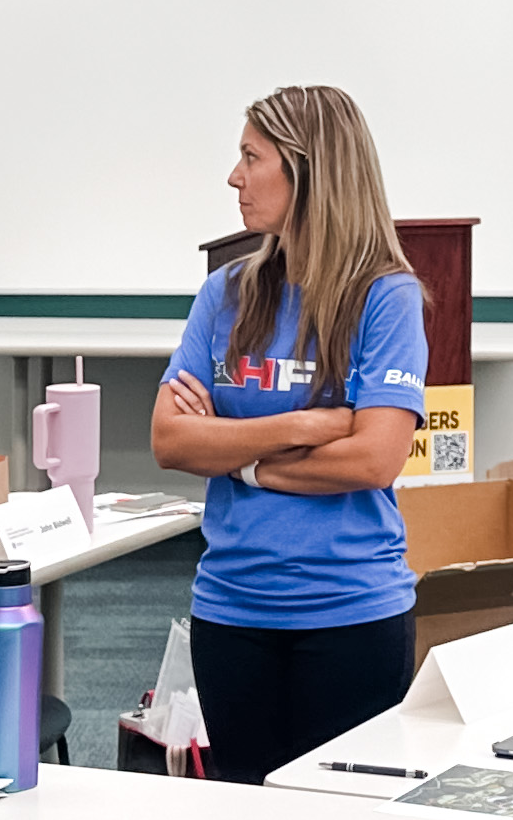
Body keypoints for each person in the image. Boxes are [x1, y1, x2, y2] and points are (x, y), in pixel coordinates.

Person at [151, 86, 430, 783]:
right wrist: (302, 426)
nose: (234, 177)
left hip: (351, 615)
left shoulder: (385, 296)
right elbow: (170, 442)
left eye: (252, 157)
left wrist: (240, 454)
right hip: (231, 610)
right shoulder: (227, 293)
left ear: (308, 173)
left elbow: (375, 457)